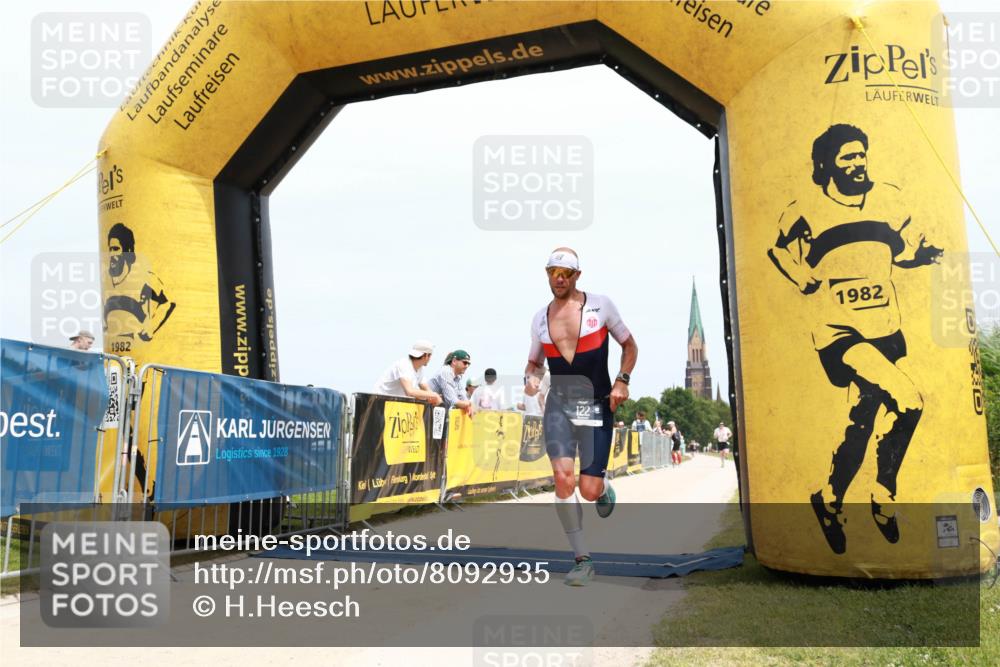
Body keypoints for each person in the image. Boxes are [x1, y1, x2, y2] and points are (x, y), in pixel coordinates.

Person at [768, 123, 941, 555]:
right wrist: (800, 274)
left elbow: (897, 254)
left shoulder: (888, 199)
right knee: (910, 399)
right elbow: (778, 249)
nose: (857, 162)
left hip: (886, 328)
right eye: (847, 156)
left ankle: (827, 500)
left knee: (860, 425)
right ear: (826, 164)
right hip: (839, 332)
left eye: (861, 154)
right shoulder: (806, 207)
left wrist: (919, 257)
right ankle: (883, 495)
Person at [523, 247, 638, 586]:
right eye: (552, 272)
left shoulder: (601, 305)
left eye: (564, 273)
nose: (558, 278)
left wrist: (622, 381)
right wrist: (530, 378)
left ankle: (601, 488)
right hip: (559, 404)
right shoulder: (539, 318)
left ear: (577, 276)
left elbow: (630, 346)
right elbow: (534, 363)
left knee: (587, 490)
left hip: (595, 403)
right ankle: (582, 559)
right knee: (562, 478)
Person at [103, 222, 175, 345]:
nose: (111, 255)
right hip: (116, 356)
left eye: (116, 249)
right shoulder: (107, 281)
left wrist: (150, 328)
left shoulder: (143, 277)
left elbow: (167, 303)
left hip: (141, 354)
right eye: (110, 249)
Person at [374, 340, 442, 405]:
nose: (430, 359)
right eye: (430, 355)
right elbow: (410, 391)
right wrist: (434, 395)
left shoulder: (420, 369)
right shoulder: (404, 365)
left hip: (391, 404)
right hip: (378, 402)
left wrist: (433, 397)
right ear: (425, 355)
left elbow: (427, 390)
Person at [427, 350, 473, 414]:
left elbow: (462, 397)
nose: (467, 366)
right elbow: (452, 401)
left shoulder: (457, 376)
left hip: (435, 411)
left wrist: (468, 405)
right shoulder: (445, 372)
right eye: (465, 362)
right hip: (426, 409)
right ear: (454, 361)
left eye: (469, 364)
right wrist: (469, 404)